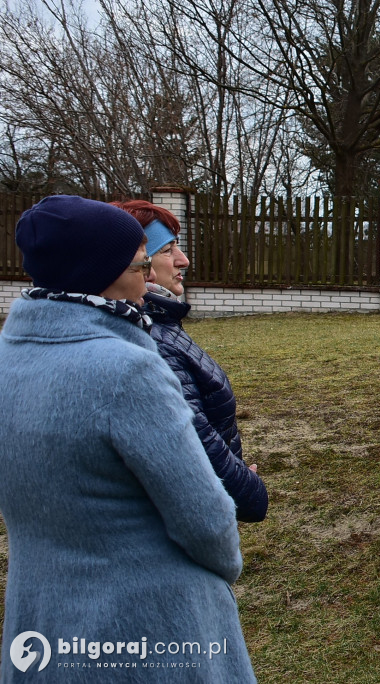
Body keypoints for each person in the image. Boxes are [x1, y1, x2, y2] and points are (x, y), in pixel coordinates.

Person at [0, 195, 255, 679]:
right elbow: (204, 520)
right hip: (148, 627)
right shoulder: (126, 369)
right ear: (104, 271)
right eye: (141, 261)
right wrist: (225, 566)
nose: (150, 273)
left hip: (43, 622)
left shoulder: (7, 358)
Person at [109, 200, 268, 523]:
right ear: (138, 262)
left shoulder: (161, 322)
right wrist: (246, 489)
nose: (184, 260)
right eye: (167, 250)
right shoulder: (149, 337)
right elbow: (193, 436)